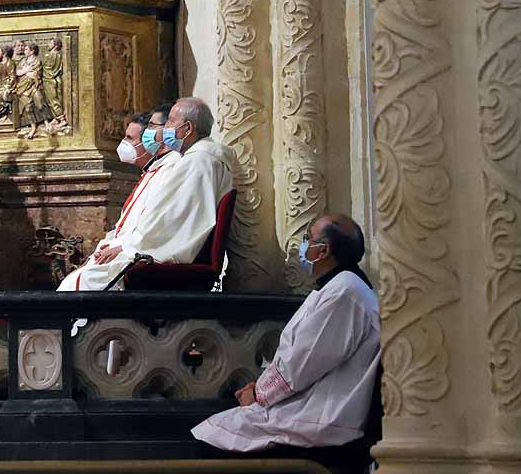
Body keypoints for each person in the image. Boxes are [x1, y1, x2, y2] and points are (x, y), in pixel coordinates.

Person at [191, 215, 382, 474]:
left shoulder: (344, 293)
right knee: (213, 430)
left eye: (308, 239)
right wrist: (258, 390)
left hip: (323, 419)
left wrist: (257, 395)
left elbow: (299, 366)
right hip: (312, 406)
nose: (304, 246)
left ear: (323, 250)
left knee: (208, 442)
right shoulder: (340, 289)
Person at [57, 109, 182, 291]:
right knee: (74, 281)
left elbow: (157, 224)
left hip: (140, 252)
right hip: (125, 248)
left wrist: (122, 247)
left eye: (130, 138)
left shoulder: (170, 170)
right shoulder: (152, 172)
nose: (124, 144)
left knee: (81, 283)